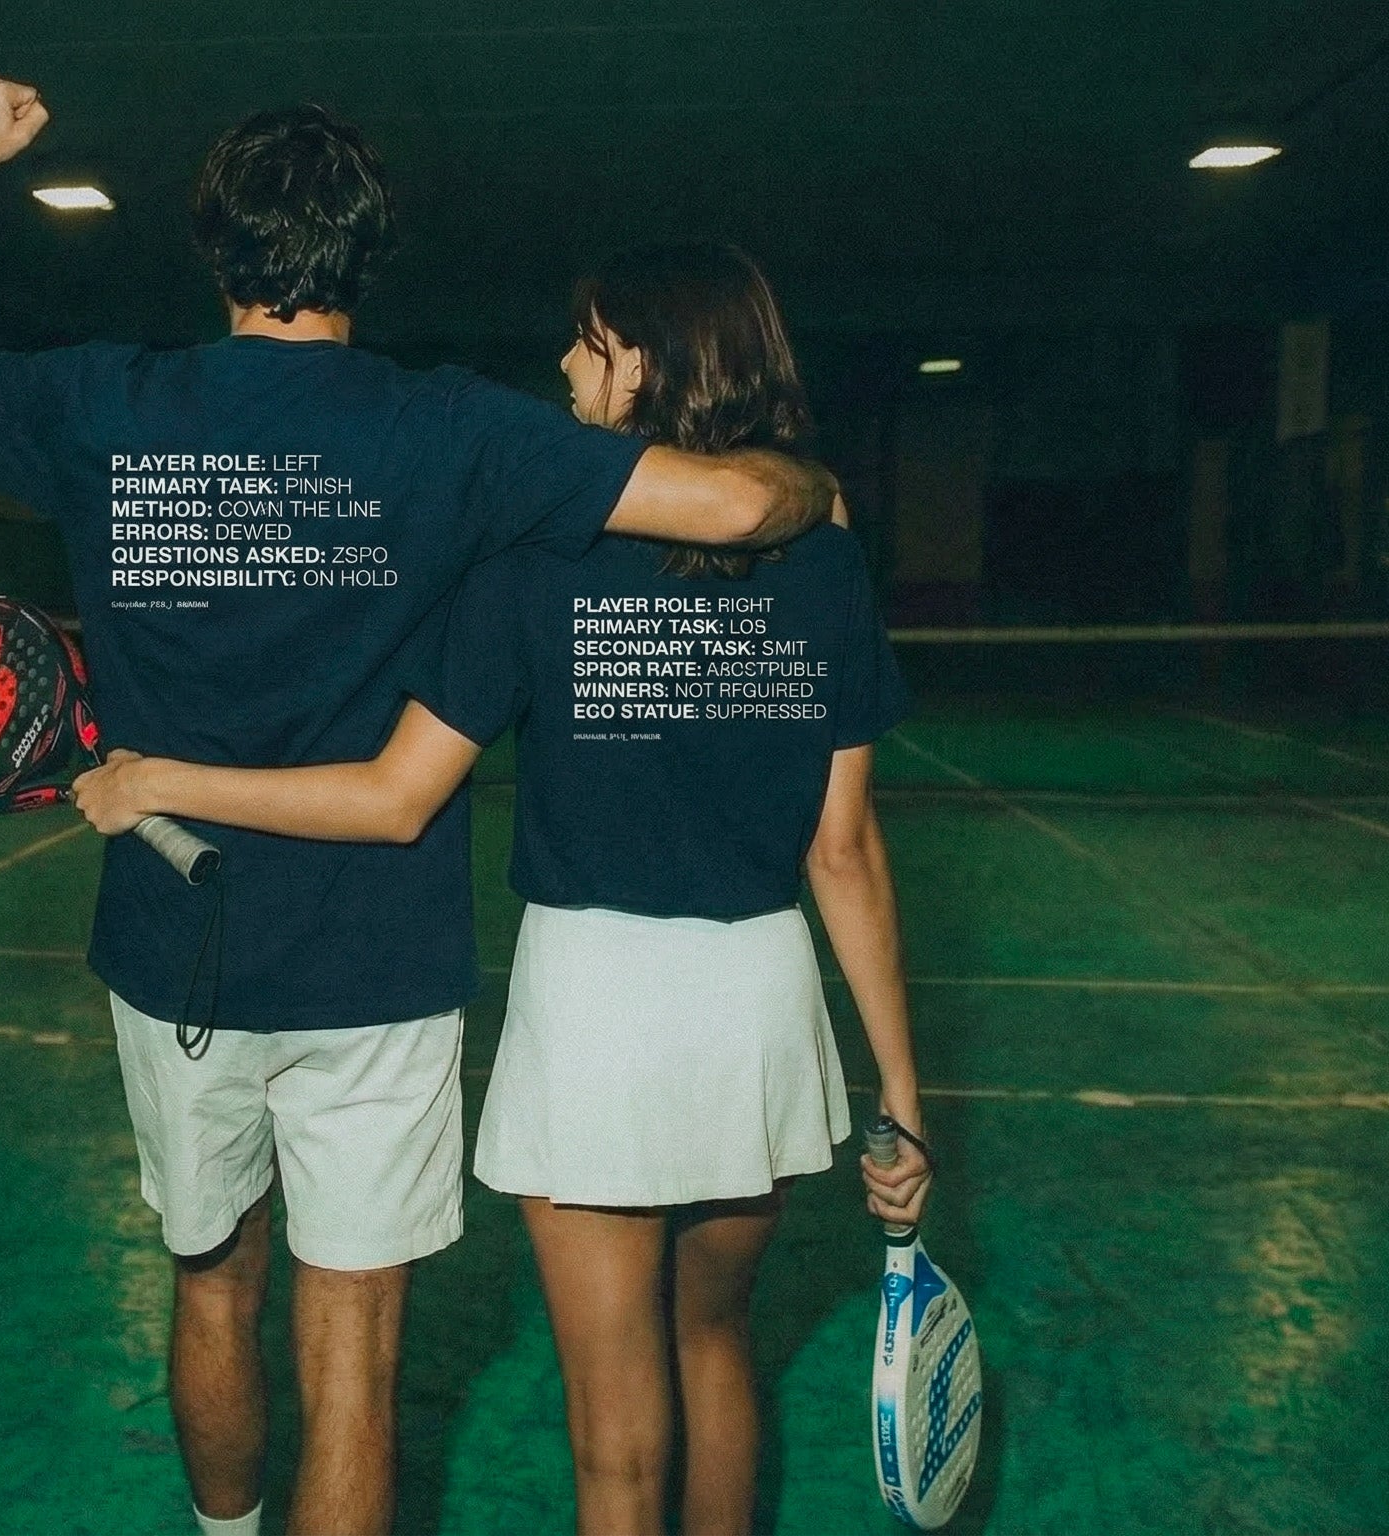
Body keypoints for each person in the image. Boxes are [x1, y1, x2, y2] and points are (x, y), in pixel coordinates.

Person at [0, 78, 842, 1536]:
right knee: (355, 1348)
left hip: (169, 945)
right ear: (365, 258)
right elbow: (740, 507)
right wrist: (811, 481)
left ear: (215, 251)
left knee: (211, 1279)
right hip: (373, 965)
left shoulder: (100, 404)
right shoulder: (453, 433)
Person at [72, 243, 934, 1536]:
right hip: (759, 1006)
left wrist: (161, 781)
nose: (567, 368)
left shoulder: (537, 562)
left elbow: (396, 796)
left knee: (611, 1436)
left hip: (595, 1003)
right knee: (716, 1346)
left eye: (587, 344)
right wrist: (903, 1104)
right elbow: (844, 853)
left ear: (641, 362)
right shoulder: (826, 562)